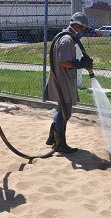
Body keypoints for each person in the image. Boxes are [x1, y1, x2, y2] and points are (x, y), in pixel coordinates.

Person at [44, 12, 93, 153]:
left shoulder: (64, 37)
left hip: (62, 79)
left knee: (62, 109)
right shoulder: (67, 40)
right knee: (65, 111)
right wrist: (79, 64)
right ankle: (60, 143)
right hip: (63, 80)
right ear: (78, 26)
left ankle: (53, 138)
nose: (83, 32)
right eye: (83, 28)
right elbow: (63, 62)